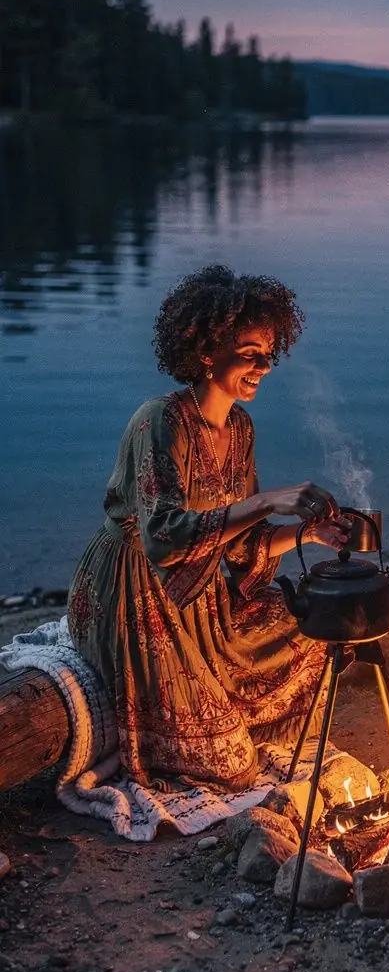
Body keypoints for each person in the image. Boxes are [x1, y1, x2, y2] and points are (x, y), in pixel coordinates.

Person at [68, 265, 345, 792]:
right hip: (136, 587)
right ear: (205, 352)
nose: (263, 365)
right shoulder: (160, 421)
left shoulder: (239, 428)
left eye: (269, 353)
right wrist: (267, 501)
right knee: (231, 764)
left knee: (312, 631)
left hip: (198, 588)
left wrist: (309, 534)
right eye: (249, 352)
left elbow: (240, 547)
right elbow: (164, 538)